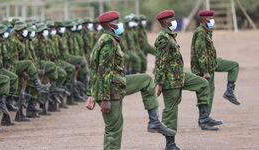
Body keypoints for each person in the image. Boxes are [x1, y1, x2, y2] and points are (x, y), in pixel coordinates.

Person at [87, 11, 175, 150]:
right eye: (117, 22)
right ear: (110, 25)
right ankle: (153, 121)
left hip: (115, 84)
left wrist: (90, 93)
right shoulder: (108, 43)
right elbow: (102, 71)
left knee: (146, 80)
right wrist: (104, 98)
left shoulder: (107, 39)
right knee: (113, 129)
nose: (120, 24)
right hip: (110, 90)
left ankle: (154, 121)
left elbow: (94, 68)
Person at [154, 10, 222, 150]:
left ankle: (203, 118)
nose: (174, 21)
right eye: (171, 19)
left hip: (179, 75)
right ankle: (170, 144)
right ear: (163, 22)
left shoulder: (170, 36)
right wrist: (159, 83)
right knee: (171, 111)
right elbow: (160, 62)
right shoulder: (163, 38)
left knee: (202, 84)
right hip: (169, 80)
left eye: (174, 17)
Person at [191, 10, 241, 115]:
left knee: (234, 66)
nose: (213, 20)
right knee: (207, 93)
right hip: (204, 67)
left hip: (212, 62)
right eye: (211, 18)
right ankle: (205, 118)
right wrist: (205, 71)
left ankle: (229, 92)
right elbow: (200, 53)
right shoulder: (200, 32)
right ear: (204, 19)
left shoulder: (207, 30)